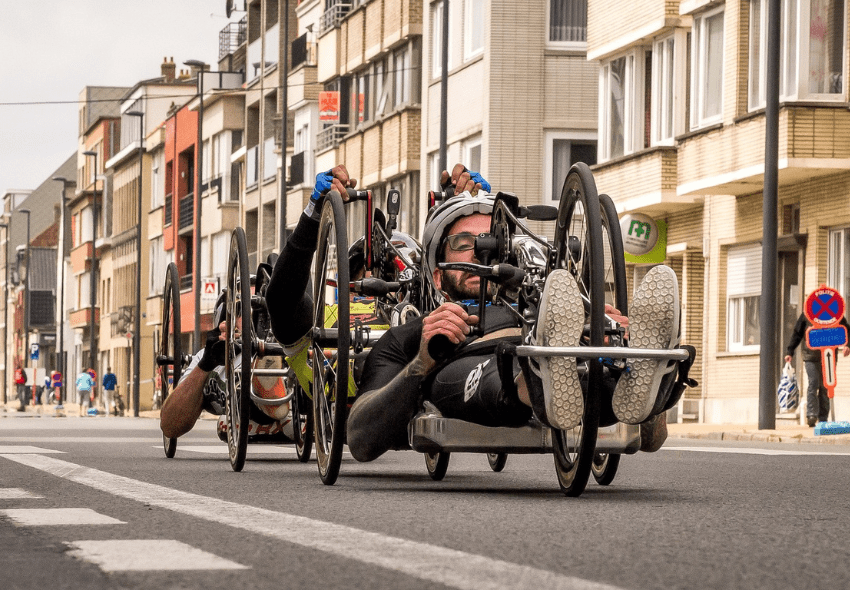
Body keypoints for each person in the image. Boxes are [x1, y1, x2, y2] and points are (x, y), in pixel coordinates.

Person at [264, 164, 690, 463]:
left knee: (592, 345)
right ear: (436, 272)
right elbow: (359, 439)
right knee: (502, 371)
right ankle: (543, 379)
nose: (481, 253)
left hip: (541, 341)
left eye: (489, 243)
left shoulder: (543, 305)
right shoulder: (412, 333)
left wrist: (600, 328)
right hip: (473, 364)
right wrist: (422, 362)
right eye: (464, 245)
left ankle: (641, 373)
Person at [159, 292, 293, 442]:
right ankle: (268, 395)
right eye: (232, 314)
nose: (234, 321)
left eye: (241, 314)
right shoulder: (203, 355)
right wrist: (205, 365)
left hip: (276, 372)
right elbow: (169, 426)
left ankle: (271, 385)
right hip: (246, 408)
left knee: (275, 359)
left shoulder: (269, 347)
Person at [785, 312, 850, 426]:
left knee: (826, 386)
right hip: (811, 356)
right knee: (814, 383)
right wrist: (790, 351)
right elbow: (797, 333)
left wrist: (847, 345)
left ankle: (823, 418)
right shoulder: (808, 313)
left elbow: (846, 330)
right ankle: (811, 415)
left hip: (829, 355)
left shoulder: (835, 312)